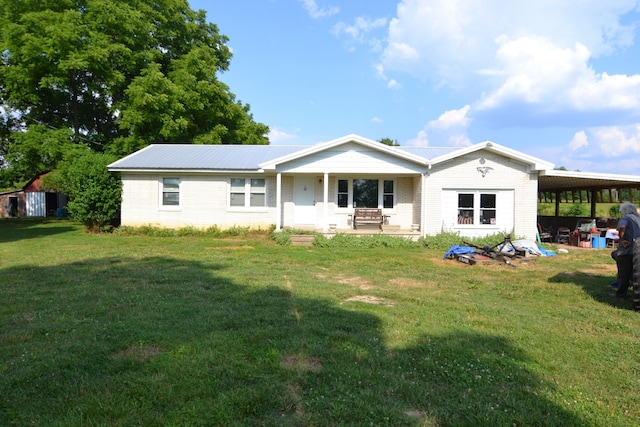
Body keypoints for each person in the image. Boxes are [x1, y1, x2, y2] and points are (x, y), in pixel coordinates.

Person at [611, 203, 640, 298]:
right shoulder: (638, 218)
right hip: (638, 251)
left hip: (627, 250)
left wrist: (622, 240)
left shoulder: (626, 218)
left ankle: (620, 294)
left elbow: (622, 226)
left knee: (623, 273)